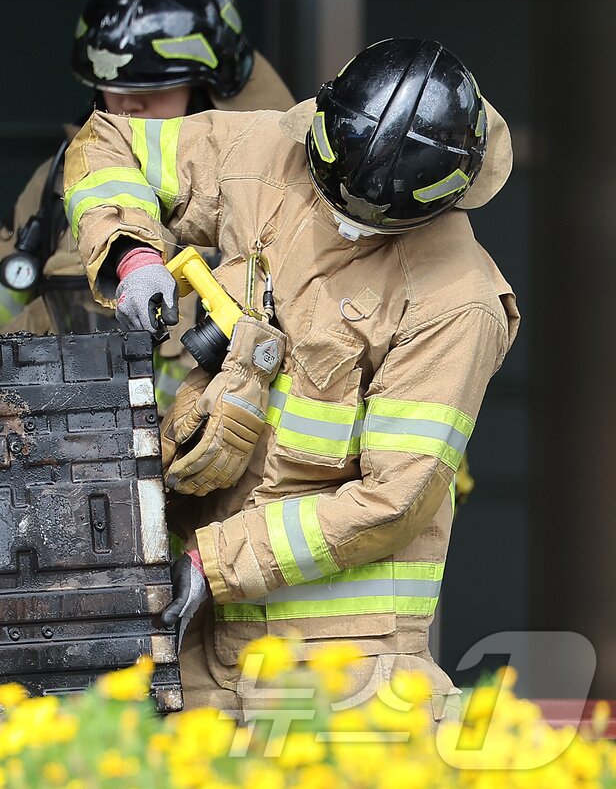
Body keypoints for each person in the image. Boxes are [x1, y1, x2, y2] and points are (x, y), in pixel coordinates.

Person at [64, 38, 519, 718]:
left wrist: (212, 563)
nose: (344, 217)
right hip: (195, 641)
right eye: (334, 192)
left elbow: (393, 501)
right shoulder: (269, 150)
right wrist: (133, 254)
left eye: (369, 215)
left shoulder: (458, 301)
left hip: (342, 666)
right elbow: (107, 143)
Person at [0, 0, 294, 411]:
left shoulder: (280, 195)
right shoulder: (59, 186)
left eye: (152, 88)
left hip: (219, 453)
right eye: (114, 88)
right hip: (84, 448)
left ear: (208, 88)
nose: (127, 106)